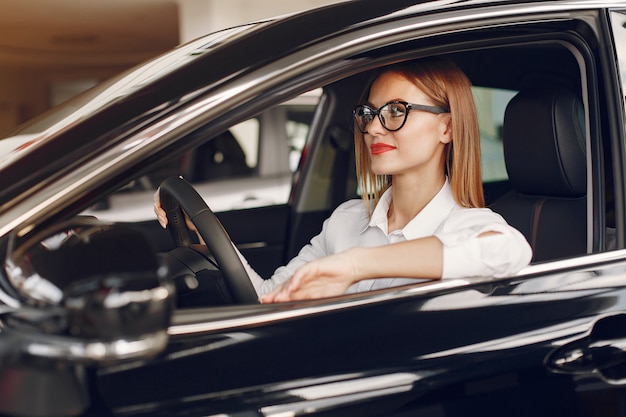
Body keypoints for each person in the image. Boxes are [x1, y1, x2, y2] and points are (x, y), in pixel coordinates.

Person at [154, 57, 532, 303]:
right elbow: (268, 297)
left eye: (396, 111)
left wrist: (357, 265)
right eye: (369, 113)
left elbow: (507, 254)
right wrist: (211, 237)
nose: (373, 128)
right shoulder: (348, 219)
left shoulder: (467, 225)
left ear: (447, 128)